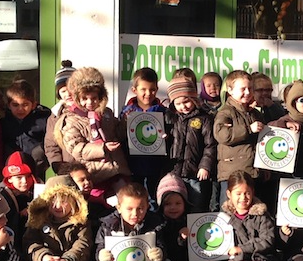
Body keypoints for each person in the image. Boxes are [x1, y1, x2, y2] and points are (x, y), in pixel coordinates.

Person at [58, 66, 131, 193]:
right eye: (85, 99)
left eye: (94, 98)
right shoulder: (71, 120)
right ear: (77, 99)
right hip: (93, 175)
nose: (90, 102)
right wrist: (102, 148)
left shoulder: (106, 113)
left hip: (116, 170)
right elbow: (76, 148)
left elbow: (118, 134)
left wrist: (126, 122)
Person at [165, 77, 215, 213]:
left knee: (196, 204)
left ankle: (194, 232)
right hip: (174, 171)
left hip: (195, 172)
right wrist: (164, 138)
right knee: (176, 207)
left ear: (193, 99)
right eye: (178, 103)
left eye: (186, 101)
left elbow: (210, 145)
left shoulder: (204, 118)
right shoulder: (170, 118)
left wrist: (205, 166)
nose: (183, 106)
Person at [213, 70, 265, 201]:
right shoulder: (225, 112)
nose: (247, 92)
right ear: (230, 90)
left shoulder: (255, 113)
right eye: (243, 89)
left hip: (253, 173)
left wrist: (266, 167)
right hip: (232, 175)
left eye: (250, 88)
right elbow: (221, 135)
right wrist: (248, 129)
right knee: (229, 215)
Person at [121, 66, 170, 197]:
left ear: (157, 90)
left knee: (153, 198)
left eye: (152, 89)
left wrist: (166, 137)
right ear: (134, 90)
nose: (148, 94)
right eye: (143, 89)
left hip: (155, 165)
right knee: (135, 195)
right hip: (133, 164)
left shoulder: (162, 112)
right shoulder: (127, 112)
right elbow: (120, 135)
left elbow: (171, 135)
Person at [1, 78, 51, 181]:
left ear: (33, 105)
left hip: (36, 168)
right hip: (12, 170)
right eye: (15, 105)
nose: (20, 109)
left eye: (25, 105)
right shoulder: (4, 122)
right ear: (8, 105)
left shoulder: (43, 120)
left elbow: (49, 143)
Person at [0, 151, 38, 245]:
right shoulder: (3, 197)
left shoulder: (40, 191)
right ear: (9, 178)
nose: (25, 181)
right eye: (19, 178)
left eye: (28, 176)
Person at [45, 60, 77, 175]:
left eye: (70, 90)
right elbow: (51, 146)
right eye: (63, 91)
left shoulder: (89, 110)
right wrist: (59, 166)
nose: (67, 94)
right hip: (68, 170)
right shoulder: (55, 116)